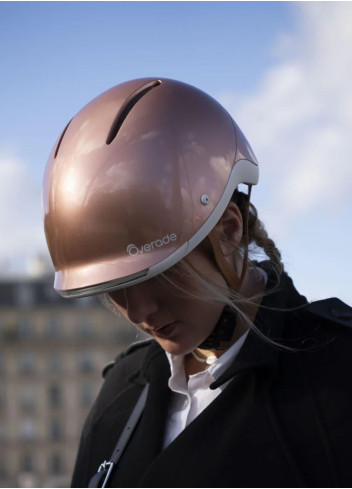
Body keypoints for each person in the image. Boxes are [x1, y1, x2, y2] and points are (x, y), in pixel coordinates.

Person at [43, 78, 352, 488]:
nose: (138, 312)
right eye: (113, 287)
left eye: (155, 273)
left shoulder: (339, 376)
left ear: (227, 231)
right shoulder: (120, 393)